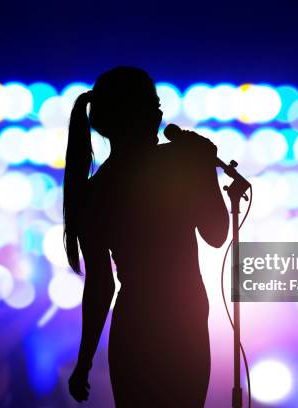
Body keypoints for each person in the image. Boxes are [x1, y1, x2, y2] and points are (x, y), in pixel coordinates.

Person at [63, 66, 229, 407]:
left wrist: (85, 361)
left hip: (137, 325)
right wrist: (203, 169)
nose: (160, 112)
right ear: (132, 115)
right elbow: (217, 234)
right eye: (152, 104)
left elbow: (100, 285)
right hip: (185, 324)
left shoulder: (96, 191)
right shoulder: (177, 166)